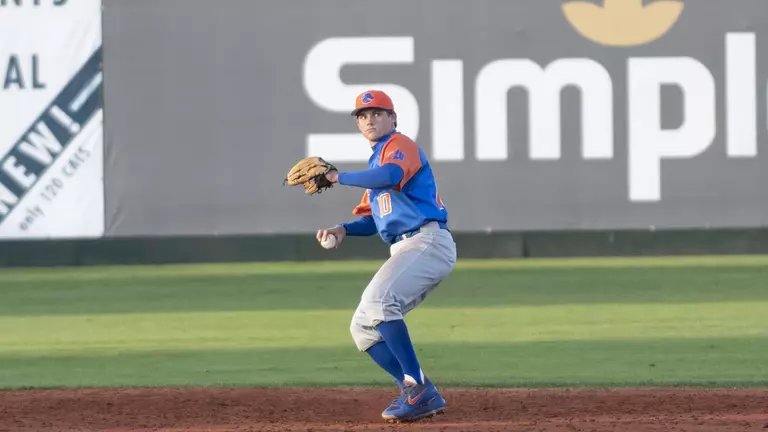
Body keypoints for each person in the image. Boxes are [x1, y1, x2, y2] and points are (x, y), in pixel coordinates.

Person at [316, 90, 457, 423]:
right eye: (363, 116)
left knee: (380, 301)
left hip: (427, 240)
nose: (369, 119)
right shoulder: (375, 163)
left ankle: (418, 389)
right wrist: (343, 229)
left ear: (392, 118)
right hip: (406, 245)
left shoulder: (399, 146)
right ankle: (418, 390)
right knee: (363, 327)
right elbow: (373, 219)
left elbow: (391, 177)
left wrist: (338, 177)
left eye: (377, 113)